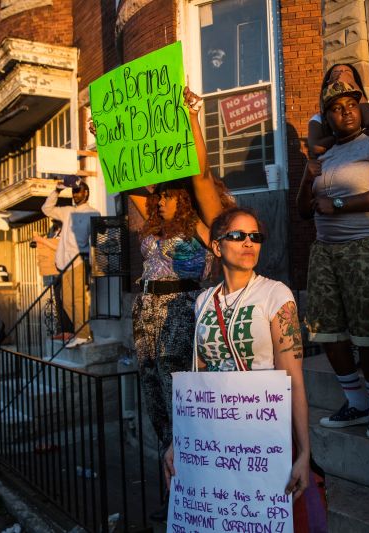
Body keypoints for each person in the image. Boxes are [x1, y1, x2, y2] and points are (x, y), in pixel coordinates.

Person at [164, 207, 319, 529]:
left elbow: (295, 380)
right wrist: (180, 441)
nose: (248, 243)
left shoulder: (275, 294)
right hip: (216, 433)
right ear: (217, 246)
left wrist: (304, 452)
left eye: (255, 236)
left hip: (265, 430)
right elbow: (200, 379)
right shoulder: (203, 301)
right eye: (237, 235)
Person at [121, 87, 232, 519]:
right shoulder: (153, 222)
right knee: (156, 406)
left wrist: (190, 114)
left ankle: (191, 500)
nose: (159, 198)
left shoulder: (206, 221)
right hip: (145, 315)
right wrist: (111, 138)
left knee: (181, 405)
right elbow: (127, 173)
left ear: (182, 194)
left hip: (181, 315)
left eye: (168, 193)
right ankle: (174, 500)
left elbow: (201, 172)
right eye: (159, 194)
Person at [297, 80, 369, 439]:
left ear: (362, 109)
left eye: (351, 104)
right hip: (326, 249)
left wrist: (340, 204)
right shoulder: (322, 154)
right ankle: (356, 402)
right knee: (325, 327)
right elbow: (303, 210)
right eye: (335, 107)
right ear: (326, 117)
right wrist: (305, 177)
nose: (345, 111)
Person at [42, 176, 101, 348]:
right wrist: (57, 190)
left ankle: (83, 334)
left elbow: (96, 239)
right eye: (73, 191)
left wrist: (93, 264)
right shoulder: (67, 211)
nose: (75, 194)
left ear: (86, 193)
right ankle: (81, 332)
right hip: (63, 263)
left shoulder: (93, 212)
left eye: (78, 191)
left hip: (78, 261)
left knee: (77, 299)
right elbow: (46, 209)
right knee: (66, 301)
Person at [307, 63, 369, 157]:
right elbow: (316, 147)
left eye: (347, 72)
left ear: (356, 80)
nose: (342, 74)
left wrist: (352, 84)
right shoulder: (318, 118)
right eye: (337, 72)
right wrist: (342, 136)